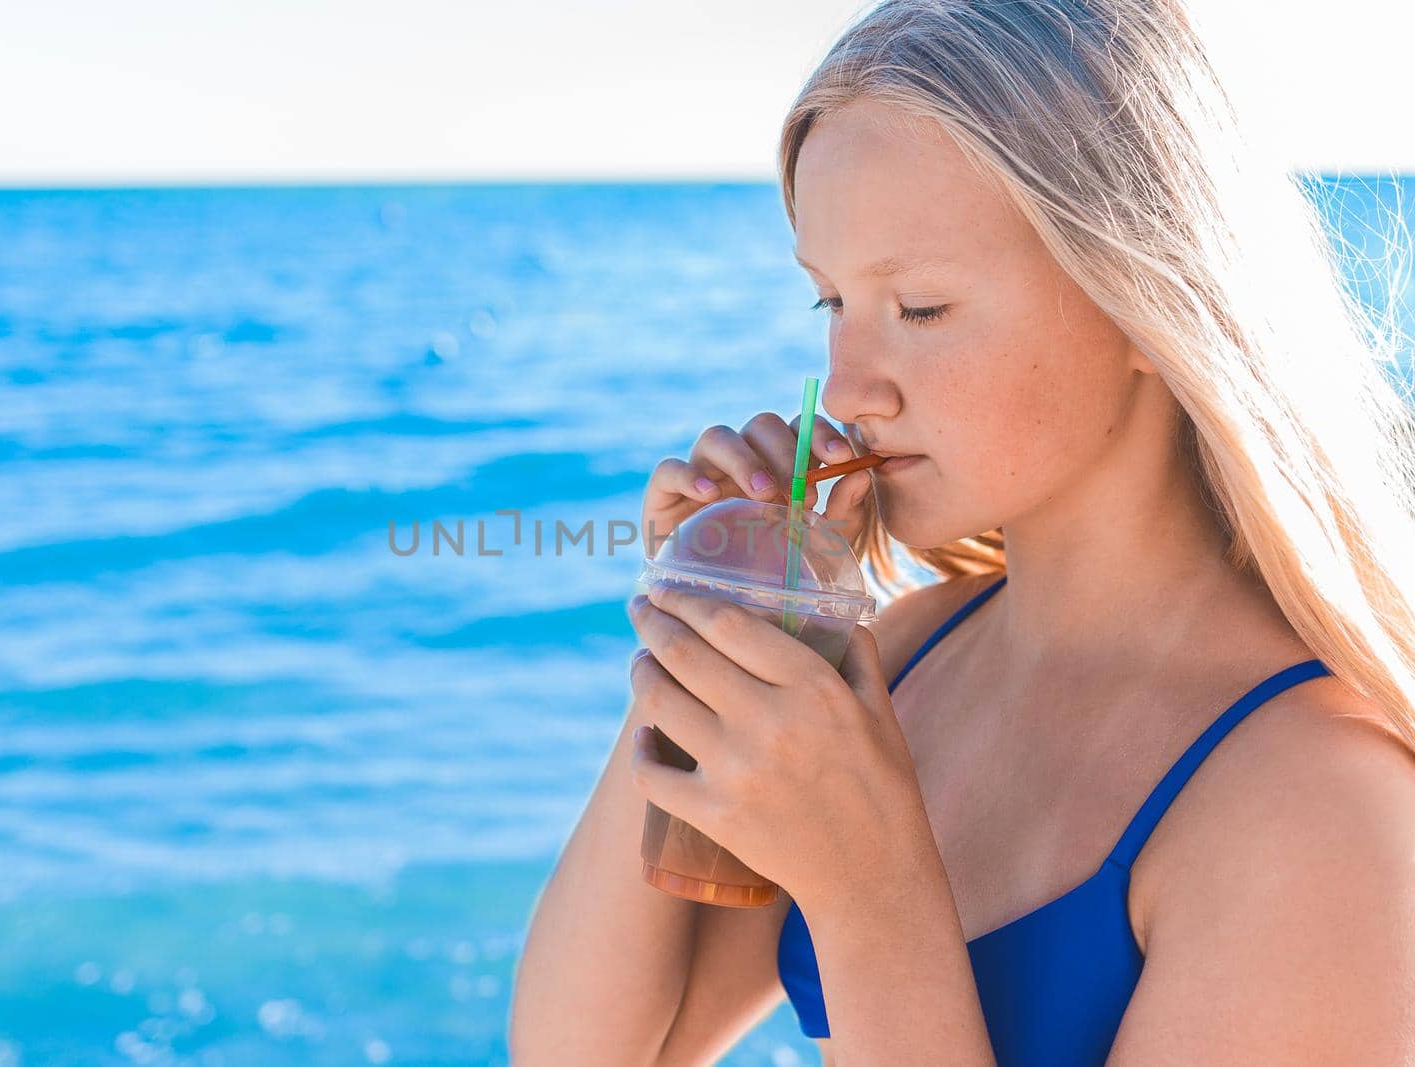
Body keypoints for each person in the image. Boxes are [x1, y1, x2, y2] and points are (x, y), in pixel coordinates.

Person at [510, 0, 1415, 1063]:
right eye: (830, 303)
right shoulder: (901, 663)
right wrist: (707, 611)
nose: (848, 387)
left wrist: (869, 892)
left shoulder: (1318, 810)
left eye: (922, 309)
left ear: (1142, 296)